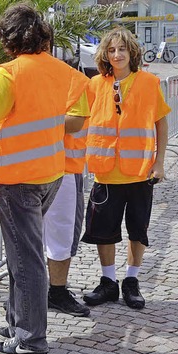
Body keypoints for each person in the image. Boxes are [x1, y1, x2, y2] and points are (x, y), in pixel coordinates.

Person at [0, 4, 88, 354]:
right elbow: (76, 120)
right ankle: (17, 321)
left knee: (26, 259)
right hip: (51, 174)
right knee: (20, 255)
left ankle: (31, 339)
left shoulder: (8, 74)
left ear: (9, 39)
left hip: (17, 179)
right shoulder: (61, 71)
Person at [81, 27, 170, 310]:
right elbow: (79, 121)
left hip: (140, 170)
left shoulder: (149, 82)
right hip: (105, 171)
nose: (117, 55)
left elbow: (161, 123)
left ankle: (131, 280)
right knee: (102, 230)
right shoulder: (94, 84)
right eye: (111, 50)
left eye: (121, 49)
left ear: (132, 52)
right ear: (105, 55)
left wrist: (159, 162)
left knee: (137, 229)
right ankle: (109, 282)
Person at [42, 24, 91, 318]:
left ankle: (56, 291)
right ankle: (36, 296)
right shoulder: (11, 74)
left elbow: (75, 121)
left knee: (60, 235)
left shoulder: (71, 78)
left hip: (63, 167)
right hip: (32, 169)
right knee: (35, 238)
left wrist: (37, 119)